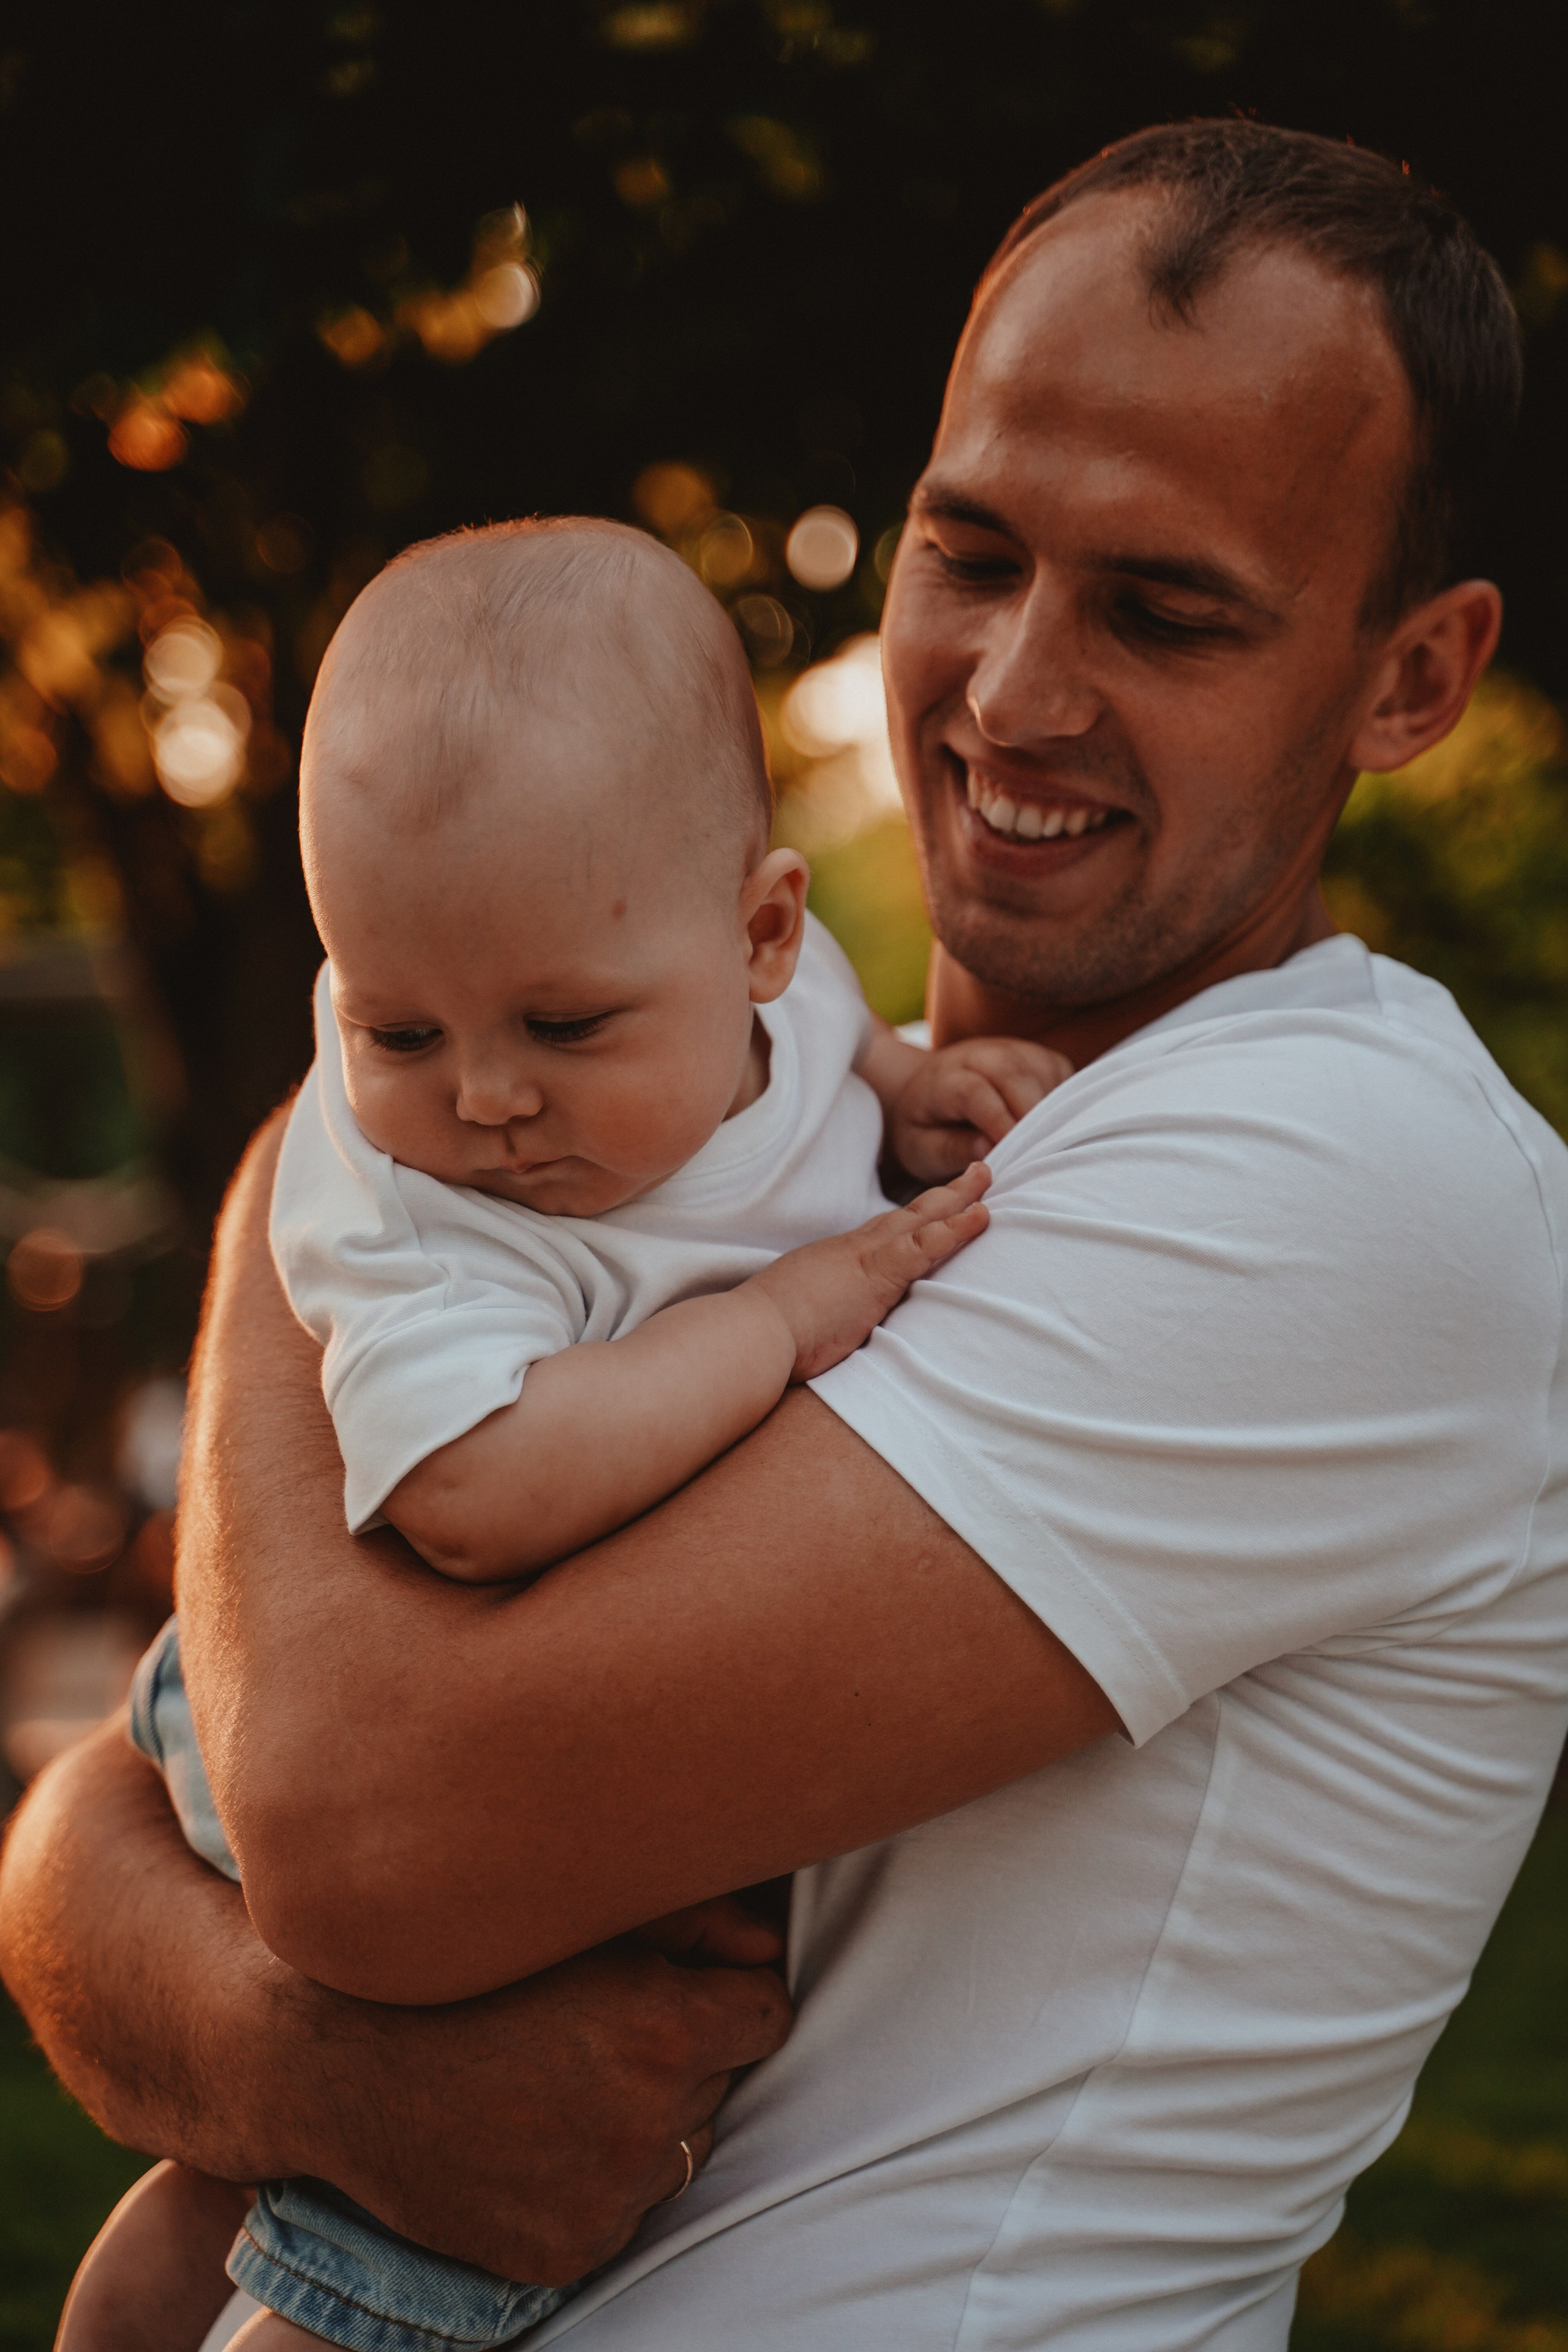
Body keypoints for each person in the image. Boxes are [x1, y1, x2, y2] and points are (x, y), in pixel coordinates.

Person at [6, 118, 1567, 2352]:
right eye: (974, 550)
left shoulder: (1352, 1174)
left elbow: (353, 1819)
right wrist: (299, 2064)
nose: (1017, 691)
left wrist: (324, 1167)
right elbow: (113, 1820)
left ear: (1415, 679)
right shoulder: (745, 1108)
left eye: (1166, 608)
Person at [73, 515, 1058, 2348]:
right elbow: (477, 1491)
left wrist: (915, 1087)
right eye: (398, 1029)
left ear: (763, 930)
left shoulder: (780, 990)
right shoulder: (425, 1209)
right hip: (312, 1680)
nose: (490, 1098)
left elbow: (832, 1048)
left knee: (259, 2175)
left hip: (406, 1706)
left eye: (562, 1024)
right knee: (470, 2162)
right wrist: (779, 1316)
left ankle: (155, 2278)